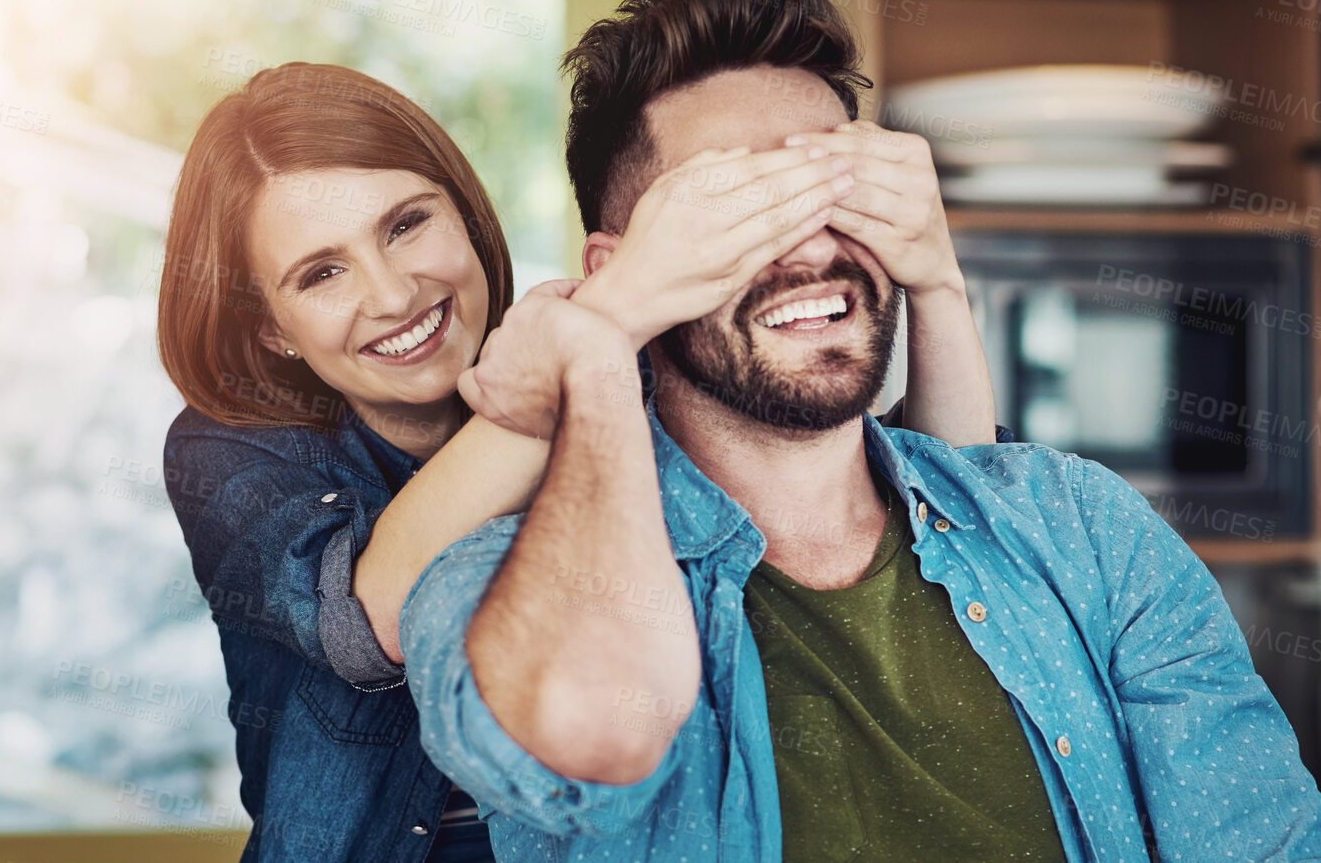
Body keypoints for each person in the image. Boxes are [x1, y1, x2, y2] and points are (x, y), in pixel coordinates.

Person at [398, 0, 1321, 862]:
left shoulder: (1085, 532)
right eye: (737, 207)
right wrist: (597, 348)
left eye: (833, 189)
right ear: (621, 270)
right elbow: (594, 728)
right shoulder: (494, 587)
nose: (809, 247)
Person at [156, 60, 1003, 861]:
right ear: (271, 326)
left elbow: (939, 502)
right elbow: (364, 624)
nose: (391, 295)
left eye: (407, 225)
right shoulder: (227, 452)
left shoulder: (602, 356)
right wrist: (606, 322)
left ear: (464, 209)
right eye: (322, 273)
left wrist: (936, 279)